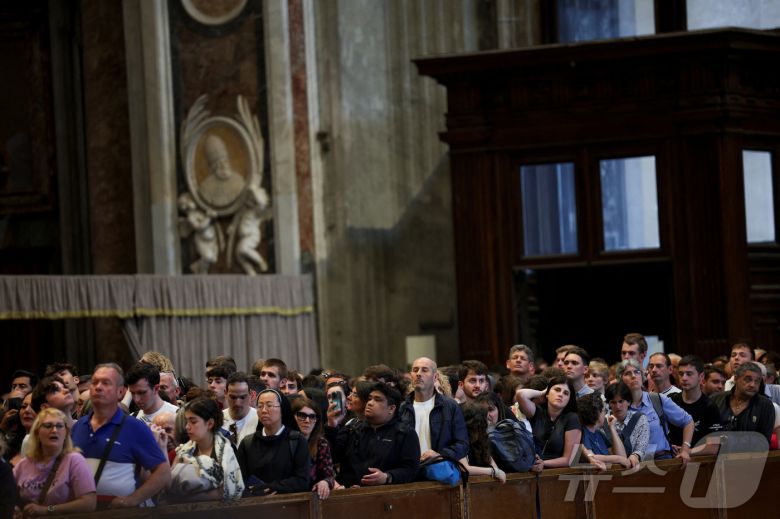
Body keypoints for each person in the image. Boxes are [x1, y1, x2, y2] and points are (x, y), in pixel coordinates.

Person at [71, 363, 170, 508]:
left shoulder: (135, 428)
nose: (98, 387)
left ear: (120, 392)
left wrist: (132, 500)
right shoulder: (79, 426)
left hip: (120, 513)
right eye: (95, 382)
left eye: (106, 383)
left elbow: (163, 473)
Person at [327, 382, 420, 487]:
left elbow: (411, 470)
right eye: (370, 398)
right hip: (349, 494)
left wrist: (387, 477)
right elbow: (332, 457)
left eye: (377, 400)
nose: (370, 403)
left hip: (384, 496)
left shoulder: (404, 433)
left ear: (391, 408)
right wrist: (332, 425)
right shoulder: (352, 429)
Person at [13, 408, 96, 516]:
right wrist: (15, 509)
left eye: (59, 426)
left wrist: (48, 510)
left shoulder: (75, 460)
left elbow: (89, 503)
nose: (54, 430)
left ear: (66, 433)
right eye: (48, 426)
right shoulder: (24, 464)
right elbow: (7, 495)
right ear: (37, 433)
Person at [398, 357, 469, 469]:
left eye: (424, 370)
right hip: (409, 471)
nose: (418, 374)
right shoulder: (402, 408)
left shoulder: (450, 406)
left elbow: (462, 445)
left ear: (435, 377)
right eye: (415, 370)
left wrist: (440, 454)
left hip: (438, 469)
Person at [617, 359, 694, 463]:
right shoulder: (618, 407)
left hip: (662, 460)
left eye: (636, 372)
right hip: (633, 464)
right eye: (627, 373)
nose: (633, 376)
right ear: (621, 379)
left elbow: (688, 421)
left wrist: (685, 449)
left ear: (642, 376)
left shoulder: (657, 399)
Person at [237, 389, 310, 494]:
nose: (264, 410)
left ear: (282, 409)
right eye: (260, 406)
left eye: (269, 405)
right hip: (255, 506)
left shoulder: (297, 441)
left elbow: (302, 480)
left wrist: (272, 488)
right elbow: (239, 479)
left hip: (288, 505)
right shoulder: (248, 443)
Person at [171, 397, 243, 501]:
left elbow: (227, 491)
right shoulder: (184, 451)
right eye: (187, 421)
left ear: (210, 423)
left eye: (193, 422)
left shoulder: (225, 452)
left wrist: (188, 498)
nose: (187, 427)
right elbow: (169, 483)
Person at [516, 376, 582, 468]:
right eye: (557, 390)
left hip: (557, 472)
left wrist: (543, 463)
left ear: (569, 399)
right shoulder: (537, 412)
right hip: (531, 468)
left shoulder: (572, 418)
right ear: (547, 394)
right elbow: (520, 394)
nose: (561, 394)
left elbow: (571, 459)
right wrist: (542, 392)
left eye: (566, 393)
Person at [709, 362, 775, 445]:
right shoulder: (715, 400)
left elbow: (764, 441)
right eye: (748, 379)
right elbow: (706, 435)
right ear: (736, 379)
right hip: (715, 455)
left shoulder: (765, 405)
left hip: (750, 456)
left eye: (757, 381)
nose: (752, 385)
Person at [670, 355, 720, 447]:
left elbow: (714, 447)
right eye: (681, 374)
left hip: (698, 458)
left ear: (701, 376)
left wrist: (686, 451)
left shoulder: (709, 406)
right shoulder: (671, 401)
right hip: (670, 457)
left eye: (689, 374)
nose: (684, 378)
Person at [292, 397, 336, 499]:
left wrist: (325, 482)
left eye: (312, 417)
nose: (307, 420)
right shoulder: (285, 441)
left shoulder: (321, 443)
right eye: (302, 416)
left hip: (312, 497)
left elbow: (329, 476)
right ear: (293, 416)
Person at [576, 393, 630, 471]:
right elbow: (591, 456)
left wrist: (612, 428)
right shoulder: (583, 432)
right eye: (604, 410)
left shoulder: (599, 434)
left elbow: (623, 456)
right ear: (597, 412)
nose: (605, 414)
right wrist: (617, 459)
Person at [459, 402, 506, 482]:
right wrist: (494, 472)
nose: (488, 423)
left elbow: (493, 464)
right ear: (476, 423)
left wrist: (496, 471)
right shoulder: (459, 441)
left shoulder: (481, 441)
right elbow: (465, 468)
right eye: (486, 419)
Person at [604, 382, 648, 467]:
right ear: (609, 404)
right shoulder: (603, 421)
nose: (617, 406)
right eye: (613, 402)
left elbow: (641, 447)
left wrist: (635, 455)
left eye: (621, 401)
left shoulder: (640, 418)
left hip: (635, 465)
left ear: (629, 402)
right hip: (611, 468)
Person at [199, 133, 246, 207]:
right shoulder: (205, 187)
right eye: (218, 163)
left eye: (225, 161)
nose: (223, 166)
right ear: (213, 166)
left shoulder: (239, 181)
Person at [221, 372, 259, 447]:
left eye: (242, 397)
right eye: (233, 397)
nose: (237, 403)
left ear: (250, 394)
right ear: (225, 393)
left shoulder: (260, 419)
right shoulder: (218, 420)